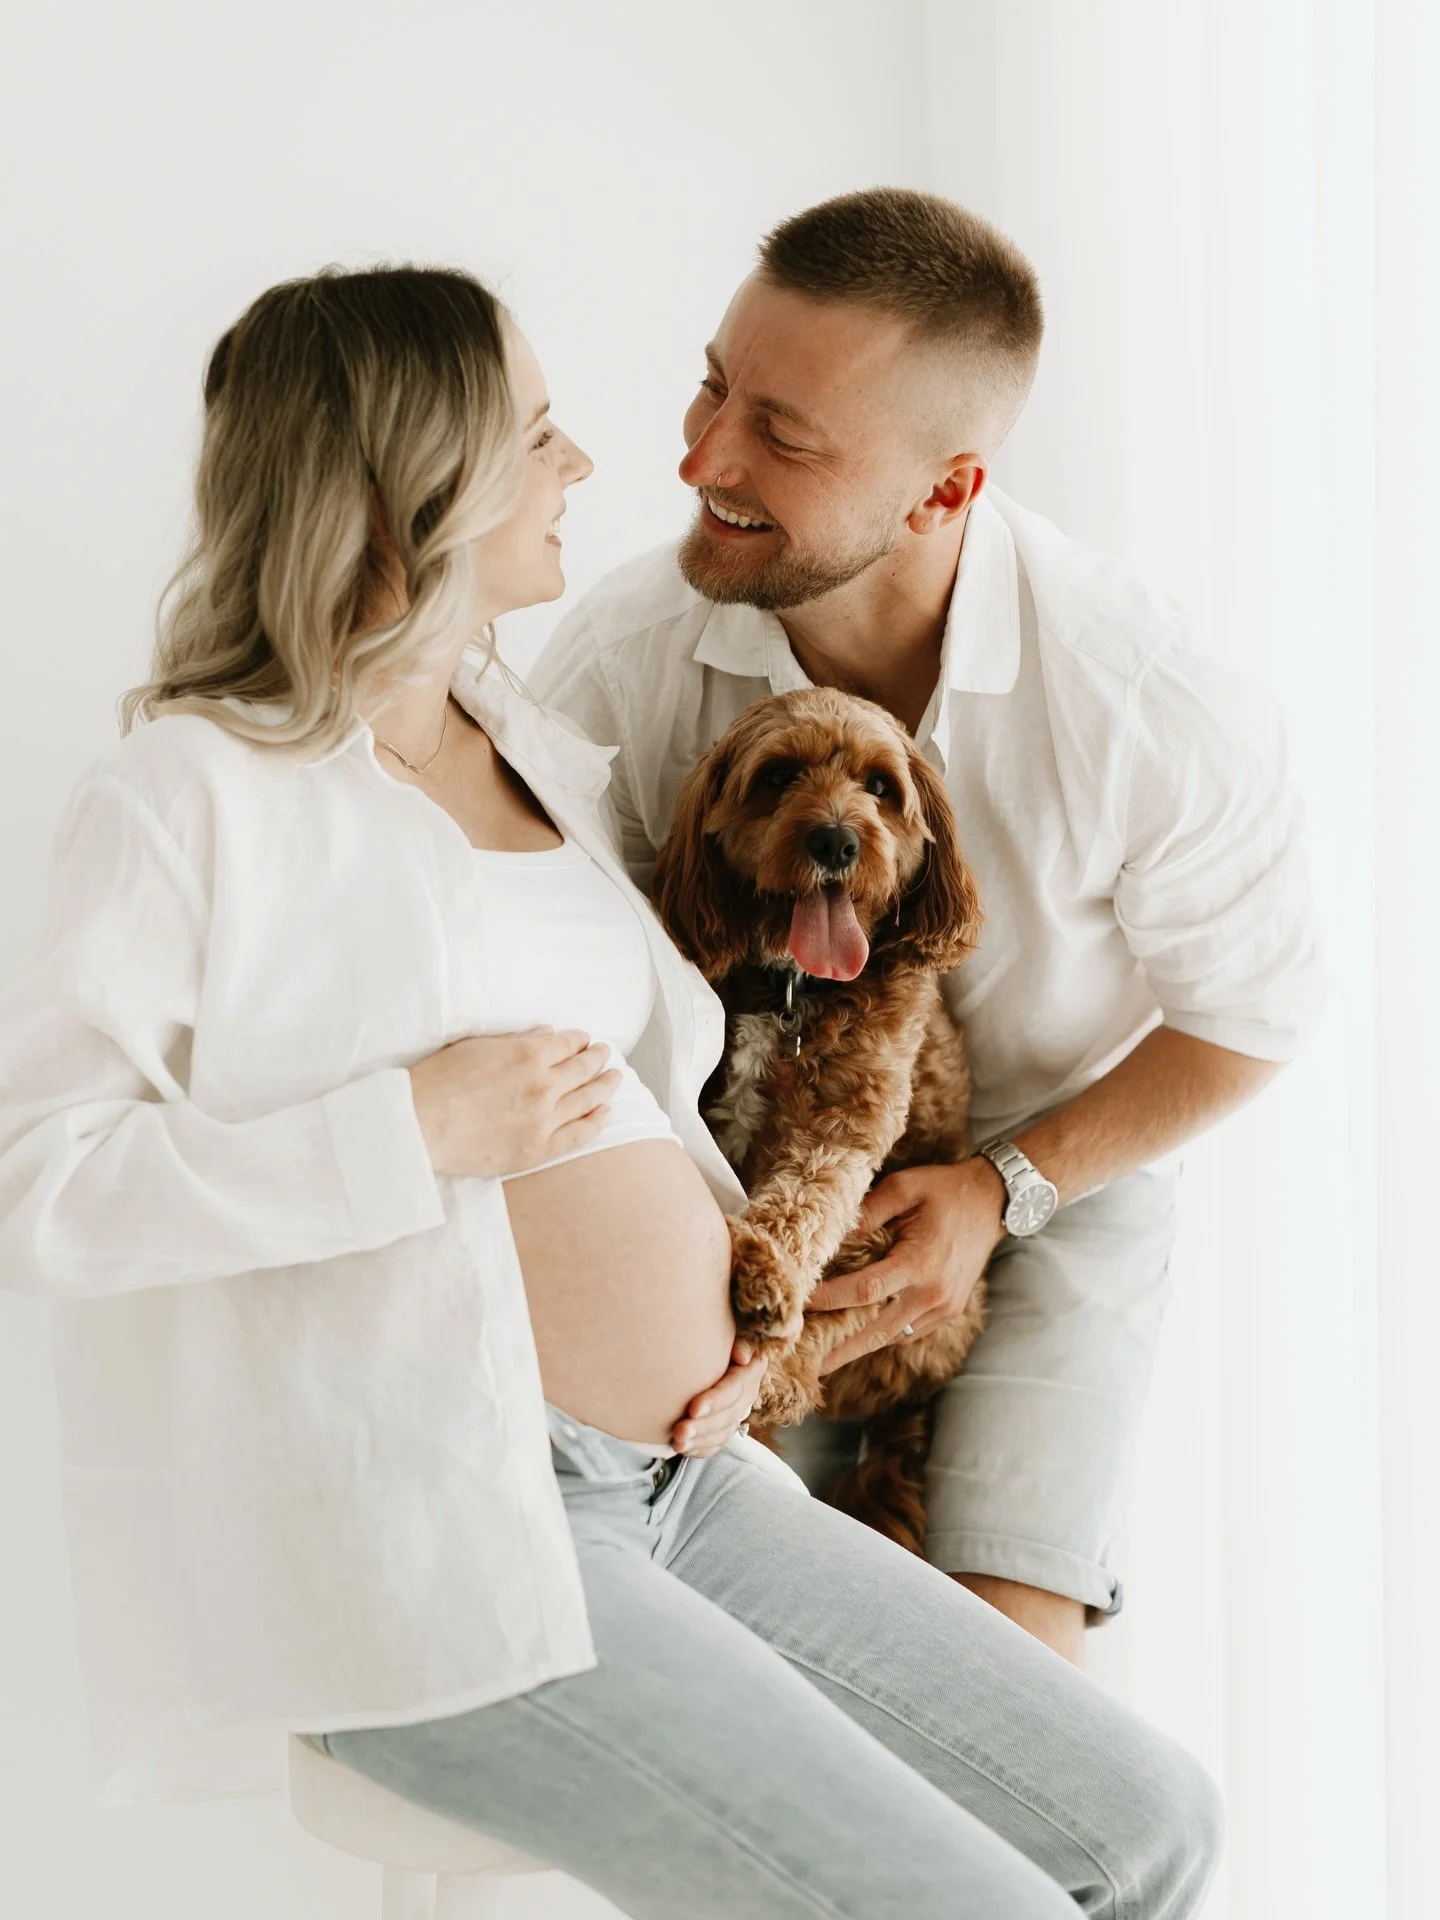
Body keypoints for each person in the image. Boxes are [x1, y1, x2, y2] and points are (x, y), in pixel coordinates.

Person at [0, 265, 1221, 1918]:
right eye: (539, 435)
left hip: (687, 1477)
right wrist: (413, 1131)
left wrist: (742, 1326)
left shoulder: (538, 753)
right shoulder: (192, 795)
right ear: (401, 487)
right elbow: (46, 1186)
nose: (588, 467)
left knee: (1143, 1826)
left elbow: (639, 1107)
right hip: (444, 1529)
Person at [533, 187, 1324, 1665]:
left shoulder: (1147, 701)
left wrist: (1002, 1188)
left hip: (1056, 1175)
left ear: (945, 492)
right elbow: (556, 979)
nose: (701, 457)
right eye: (715, 384)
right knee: (778, 1657)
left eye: (785, 432)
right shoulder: (628, 663)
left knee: (1006, 1671)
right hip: (751, 1200)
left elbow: (1252, 1018)